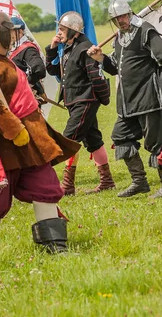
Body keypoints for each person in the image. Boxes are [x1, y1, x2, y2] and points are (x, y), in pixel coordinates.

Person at [0, 10, 81, 255]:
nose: (14, 37)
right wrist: (14, 129)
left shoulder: (6, 61)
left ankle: (55, 249)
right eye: (10, 32)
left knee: (45, 186)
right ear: (0, 35)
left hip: (28, 142)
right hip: (1, 144)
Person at [87, 0, 162, 199]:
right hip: (127, 102)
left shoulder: (145, 30)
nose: (120, 21)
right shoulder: (119, 37)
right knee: (121, 137)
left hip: (149, 98)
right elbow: (115, 68)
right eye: (116, 18)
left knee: (156, 142)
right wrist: (101, 59)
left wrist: (158, 79)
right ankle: (140, 182)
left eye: (122, 16)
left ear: (130, 13)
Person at [45, 11, 115, 195]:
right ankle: (107, 181)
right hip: (76, 101)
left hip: (85, 100)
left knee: (69, 140)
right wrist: (52, 48)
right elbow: (52, 70)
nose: (59, 32)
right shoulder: (68, 49)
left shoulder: (85, 48)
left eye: (62, 29)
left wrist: (100, 100)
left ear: (73, 31)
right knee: (93, 140)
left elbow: (96, 77)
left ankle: (67, 186)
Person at [8, 16, 47, 103]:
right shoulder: (15, 48)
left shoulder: (28, 49)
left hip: (27, 98)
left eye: (12, 31)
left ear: (20, 31)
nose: (9, 34)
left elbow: (39, 69)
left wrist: (27, 85)